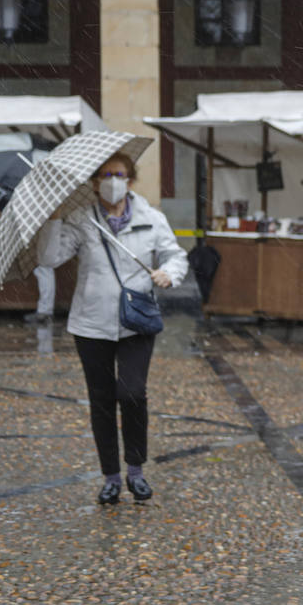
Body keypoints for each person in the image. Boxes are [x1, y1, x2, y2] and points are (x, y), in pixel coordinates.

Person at [38, 153, 188, 506]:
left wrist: (170, 274)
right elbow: (49, 258)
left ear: (130, 179)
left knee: (133, 393)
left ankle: (135, 470)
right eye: (105, 174)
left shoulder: (152, 218)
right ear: (93, 182)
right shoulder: (80, 218)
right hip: (90, 323)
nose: (111, 180)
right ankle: (111, 477)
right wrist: (53, 219)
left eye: (118, 174)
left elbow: (176, 255)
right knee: (102, 401)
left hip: (137, 321)